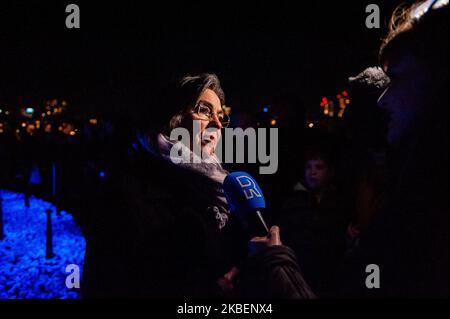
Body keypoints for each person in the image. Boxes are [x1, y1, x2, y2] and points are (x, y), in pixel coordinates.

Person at [253, 0, 449, 298]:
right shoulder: (413, 191)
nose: (384, 101)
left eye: (395, 78)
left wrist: (278, 264)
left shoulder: (425, 215)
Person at [80, 73, 248, 298]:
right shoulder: (125, 192)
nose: (217, 124)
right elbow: (106, 285)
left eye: (220, 115)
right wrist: (211, 291)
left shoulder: (219, 184)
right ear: (173, 117)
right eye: (204, 110)